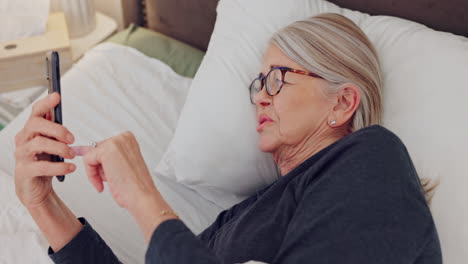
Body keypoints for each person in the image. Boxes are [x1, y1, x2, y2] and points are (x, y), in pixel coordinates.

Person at [14, 13, 442, 263]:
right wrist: (43, 205)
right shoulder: (242, 216)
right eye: (258, 85)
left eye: (276, 79)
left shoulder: (374, 161)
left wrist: (145, 196)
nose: (260, 99)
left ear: (342, 103)